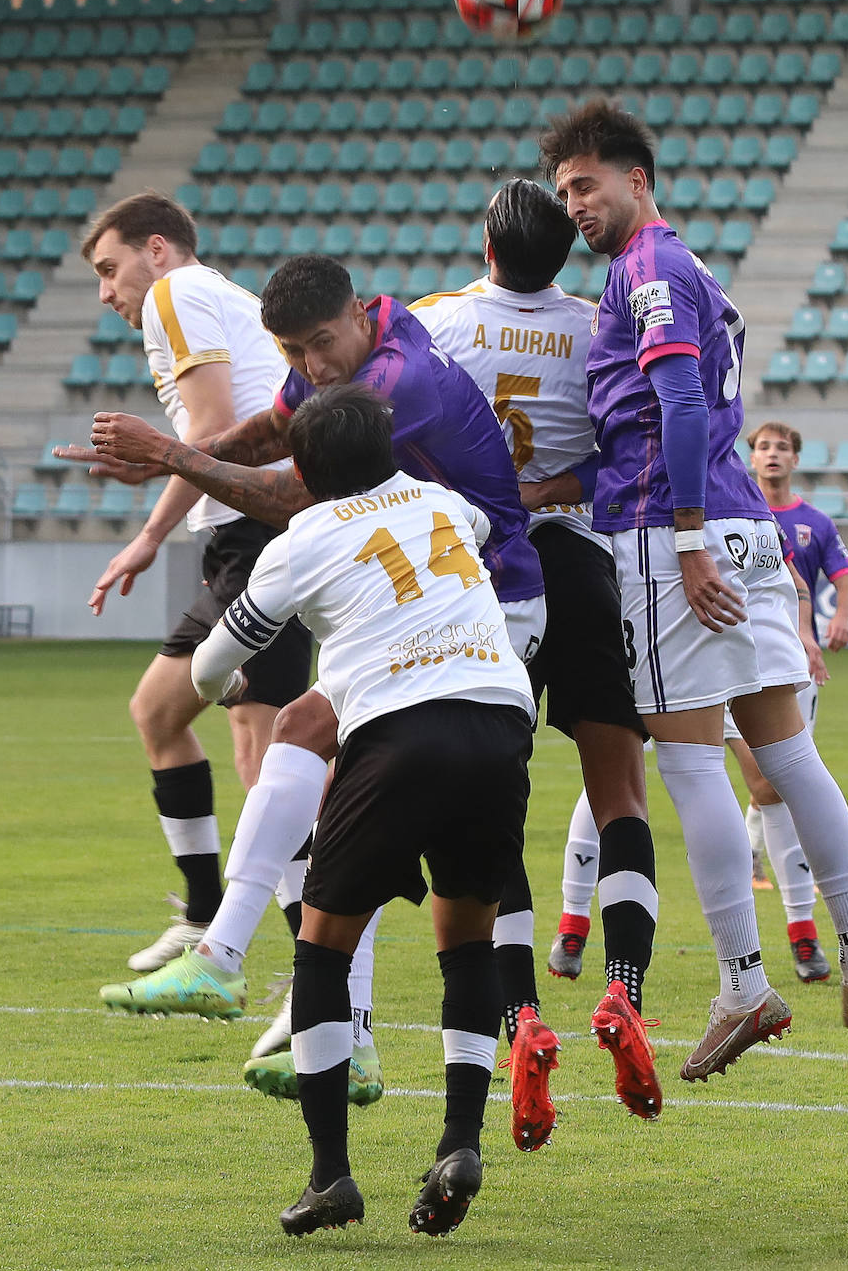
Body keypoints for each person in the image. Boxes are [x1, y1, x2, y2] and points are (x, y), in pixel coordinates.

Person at [92, 255, 546, 1117]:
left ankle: (279, 986)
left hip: (488, 604)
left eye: (320, 346)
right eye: (293, 353)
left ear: (357, 315)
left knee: (346, 802)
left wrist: (176, 457)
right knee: (306, 737)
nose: (311, 368)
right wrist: (176, 460)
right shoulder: (360, 365)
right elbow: (272, 430)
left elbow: (287, 491)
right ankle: (280, 988)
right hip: (425, 580)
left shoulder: (393, 386)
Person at [541, 99, 848, 1078]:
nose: (575, 204)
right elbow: (641, 429)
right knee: (789, 751)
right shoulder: (683, 263)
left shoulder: (646, 267)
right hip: (739, 524)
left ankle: (744, 985)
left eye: (588, 184)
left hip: (675, 534)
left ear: (636, 180)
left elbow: (680, 402)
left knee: (693, 766)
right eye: (565, 190)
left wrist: (686, 542)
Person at [190, 384, 535, 1237]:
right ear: (390, 450)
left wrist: (228, 686)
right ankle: (460, 1139)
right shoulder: (444, 500)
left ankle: (330, 1175)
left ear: (302, 469)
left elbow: (210, 666)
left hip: (398, 737)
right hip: (500, 722)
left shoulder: (301, 539)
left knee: (322, 946)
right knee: (468, 941)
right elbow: (481, 533)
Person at [409, 179, 661, 1132]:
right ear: (567, 251)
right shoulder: (600, 324)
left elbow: (406, 430)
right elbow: (624, 443)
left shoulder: (437, 323)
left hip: (481, 571)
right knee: (618, 793)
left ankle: (520, 1019)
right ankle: (625, 991)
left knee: (491, 804)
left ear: (486, 244)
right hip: (576, 557)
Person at [72, 192, 312, 972]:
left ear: (157, 249)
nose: (106, 291)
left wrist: (148, 535)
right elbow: (210, 440)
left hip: (264, 534)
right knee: (158, 711)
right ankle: (205, 910)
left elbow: (206, 432)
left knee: (263, 754)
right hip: (241, 535)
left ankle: (320, 964)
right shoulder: (211, 295)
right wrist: (157, 480)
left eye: (110, 270)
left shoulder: (175, 294)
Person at [726, 421, 848, 983]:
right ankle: (575, 923)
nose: (772, 455)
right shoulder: (727, 497)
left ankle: (803, 934)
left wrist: (824, 627)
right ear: (749, 457)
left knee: (773, 785)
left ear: (795, 459)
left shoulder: (811, 523)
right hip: (717, 653)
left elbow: (823, 583)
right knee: (751, 783)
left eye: (782, 447)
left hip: (782, 663)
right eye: (763, 446)